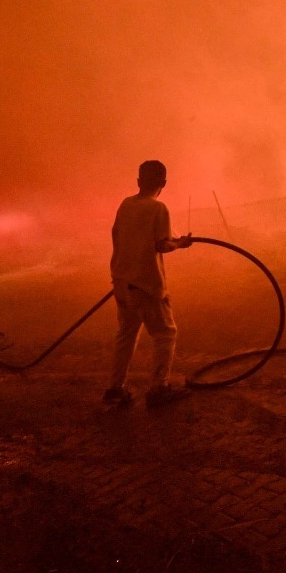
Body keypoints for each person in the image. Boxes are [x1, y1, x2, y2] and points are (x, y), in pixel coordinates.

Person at [105, 159, 194, 407]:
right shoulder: (158, 208)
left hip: (122, 281)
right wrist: (180, 243)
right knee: (166, 332)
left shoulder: (126, 205)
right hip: (146, 283)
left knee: (126, 333)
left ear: (138, 182)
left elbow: (125, 237)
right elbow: (162, 244)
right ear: (163, 183)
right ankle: (159, 387)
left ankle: (115, 389)